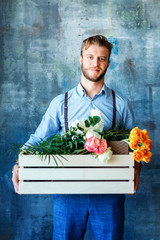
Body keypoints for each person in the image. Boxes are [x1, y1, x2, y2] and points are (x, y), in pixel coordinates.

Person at [12, 35, 142, 240]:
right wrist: (18, 164)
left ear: (108, 62)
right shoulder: (60, 103)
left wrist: (136, 172)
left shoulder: (121, 104)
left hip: (109, 194)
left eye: (101, 58)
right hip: (67, 193)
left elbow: (135, 146)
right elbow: (37, 140)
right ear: (80, 59)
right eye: (90, 57)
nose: (95, 63)